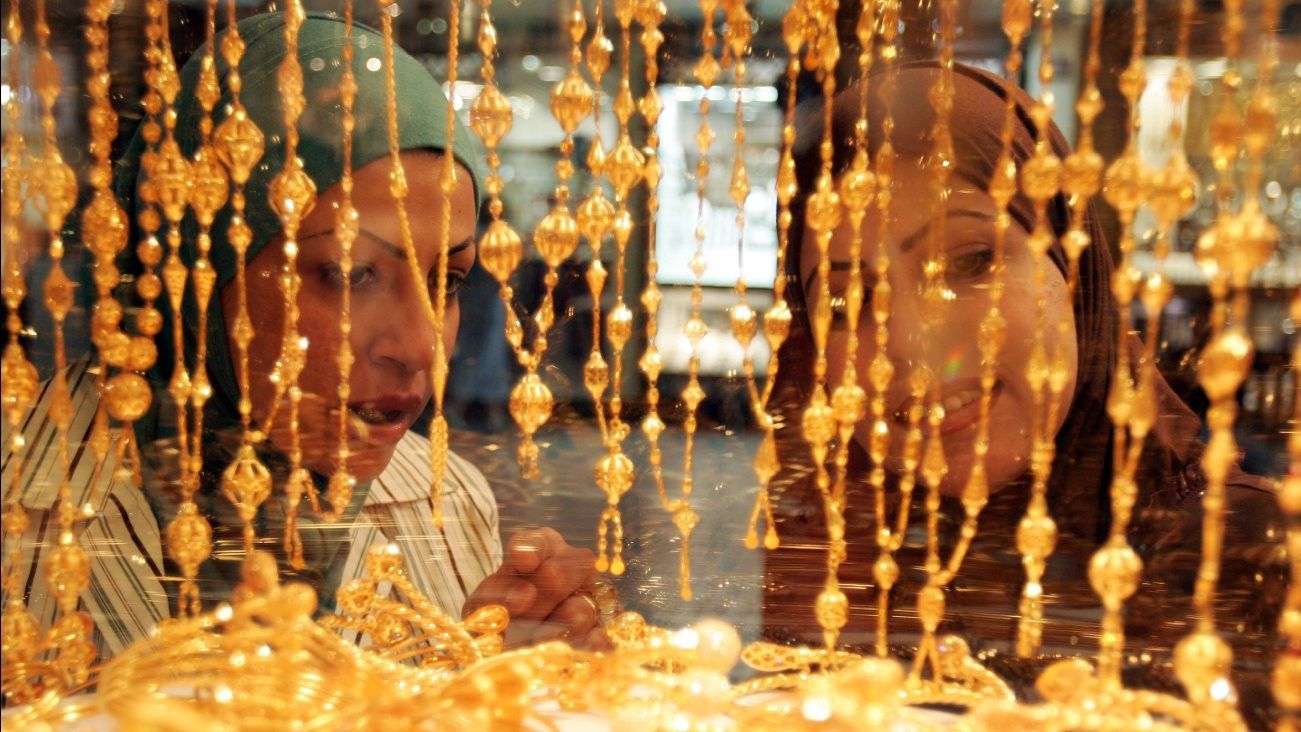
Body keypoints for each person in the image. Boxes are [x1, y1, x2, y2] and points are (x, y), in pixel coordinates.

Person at [3, 12, 606, 660]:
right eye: (350, 274)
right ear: (204, 263)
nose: (419, 347)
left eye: (449, 281)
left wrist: (499, 675)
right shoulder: (20, 508)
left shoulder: (447, 500)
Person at [762, 61, 1285, 722]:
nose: (912, 346)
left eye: (968, 262)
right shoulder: (831, 550)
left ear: (1069, 268)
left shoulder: (1237, 553)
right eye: (846, 301)